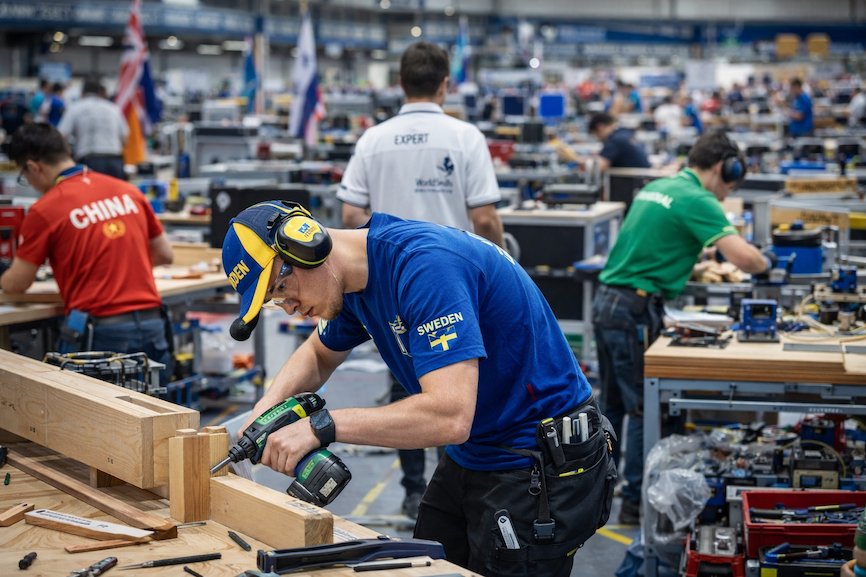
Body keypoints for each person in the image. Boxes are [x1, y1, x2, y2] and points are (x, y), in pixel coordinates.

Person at [223, 200, 617, 577]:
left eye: (278, 289)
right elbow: (318, 355)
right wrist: (264, 413)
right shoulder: (354, 283)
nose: (288, 306)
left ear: (305, 243)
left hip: (536, 461)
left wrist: (319, 427)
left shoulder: (424, 269)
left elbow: (449, 415)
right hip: (478, 451)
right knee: (430, 561)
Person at [338, 42, 505, 519]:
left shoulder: (373, 139)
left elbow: (351, 213)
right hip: (453, 285)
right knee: (454, 387)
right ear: (445, 84)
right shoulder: (465, 136)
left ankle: (414, 491)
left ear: (399, 82)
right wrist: (503, 259)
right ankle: (448, 483)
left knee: (404, 384)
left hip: (387, 283)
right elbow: (487, 217)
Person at [591, 130, 772, 526]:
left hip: (608, 302)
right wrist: (769, 264)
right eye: (731, 183)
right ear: (726, 167)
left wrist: (692, 264)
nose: (727, 194)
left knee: (615, 407)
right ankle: (634, 506)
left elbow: (650, 249)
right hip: (634, 310)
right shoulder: (699, 198)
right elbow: (746, 259)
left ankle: (601, 495)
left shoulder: (660, 186)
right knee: (642, 407)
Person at [0, 123, 174, 378]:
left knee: (93, 416)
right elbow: (164, 255)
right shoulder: (127, 190)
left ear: (34, 166)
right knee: (157, 412)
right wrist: (120, 264)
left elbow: (17, 284)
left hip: (102, 334)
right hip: (153, 324)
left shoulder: (46, 209)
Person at [58, 77, 128, 180]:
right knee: (113, 194)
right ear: (100, 91)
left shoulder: (75, 108)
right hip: (115, 160)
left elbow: (61, 136)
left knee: (91, 195)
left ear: (82, 92)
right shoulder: (114, 108)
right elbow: (125, 139)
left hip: (90, 160)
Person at [587, 112, 651, 172]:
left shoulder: (614, 140)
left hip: (631, 180)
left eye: (595, 134)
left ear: (600, 127)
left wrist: (580, 160)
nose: (598, 138)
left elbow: (600, 166)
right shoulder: (625, 133)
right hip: (642, 177)